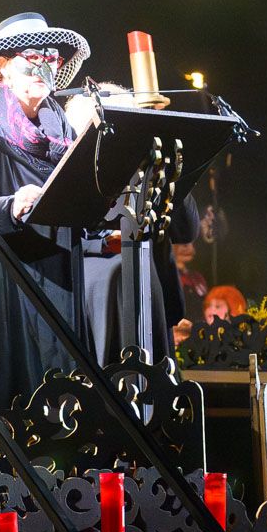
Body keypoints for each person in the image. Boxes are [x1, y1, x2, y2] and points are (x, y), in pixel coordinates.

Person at [0, 12, 90, 411]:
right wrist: (11, 206)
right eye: (32, 57)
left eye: (51, 58)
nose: (42, 66)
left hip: (59, 280)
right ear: (4, 67)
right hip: (4, 284)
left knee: (63, 398)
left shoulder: (67, 138)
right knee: (11, 402)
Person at [63, 83, 200, 365]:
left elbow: (186, 230)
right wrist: (102, 242)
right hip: (91, 270)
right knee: (120, 271)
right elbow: (60, 230)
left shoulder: (147, 167)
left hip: (147, 278)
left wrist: (171, 157)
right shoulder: (69, 167)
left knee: (136, 267)